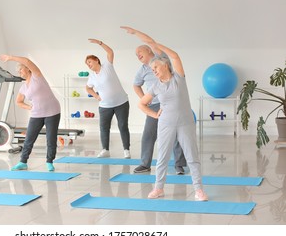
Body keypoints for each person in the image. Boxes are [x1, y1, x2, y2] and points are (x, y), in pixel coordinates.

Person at [121, 26, 208, 201]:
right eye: (152, 69)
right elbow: (141, 103)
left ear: (165, 65)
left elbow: (175, 56)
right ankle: (158, 188)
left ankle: (199, 190)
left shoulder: (179, 78)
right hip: (166, 123)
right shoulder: (155, 86)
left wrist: (155, 43)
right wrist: (154, 115)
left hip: (185, 122)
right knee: (162, 158)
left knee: (192, 157)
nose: (154, 71)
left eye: (156, 68)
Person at [132, 44, 187, 174]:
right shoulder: (142, 70)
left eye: (140, 51)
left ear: (148, 50)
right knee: (148, 135)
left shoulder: (161, 59)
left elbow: (152, 42)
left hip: (170, 103)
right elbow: (136, 85)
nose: (138, 55)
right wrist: (146, 99)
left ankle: (179, 164)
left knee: (175, 135)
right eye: (136, 54)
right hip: (154, 105)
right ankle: (145, 164)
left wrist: (136, 33)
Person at [0, 54, 60, 172]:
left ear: (27, 68)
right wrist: (29, 107)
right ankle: (23, 162)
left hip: (52, 111)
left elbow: (27, 61)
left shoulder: (37, 76)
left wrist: (10, 58)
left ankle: (49, 161)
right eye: (18, 70)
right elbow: (18, 101)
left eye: (21, 69)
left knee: (51, 138)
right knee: (29, 139)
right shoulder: (23, 87)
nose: (19, 72)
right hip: (36, 113)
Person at [85, 39, 131, 159]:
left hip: (121, 102)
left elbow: (110, 52)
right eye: (87, 64)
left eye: (89, 62)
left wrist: (100, 43)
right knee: (104, 128)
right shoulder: (92, 77)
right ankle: (105, 150)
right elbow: (88, 88)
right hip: (105, 106)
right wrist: (96, 96)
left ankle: (126, 150)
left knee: (123, 126)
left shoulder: (107, 66)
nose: (88, 65)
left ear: (96, 60)